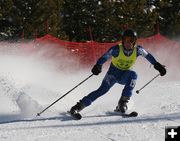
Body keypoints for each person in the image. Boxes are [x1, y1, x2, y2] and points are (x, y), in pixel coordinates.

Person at [69, 29, 166, 115]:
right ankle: (78, 106)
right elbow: (105, 56)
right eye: (126, 40)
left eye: (131, 40)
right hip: (113, 75)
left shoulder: (138, 50)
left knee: (133, 75)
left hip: (125, 75)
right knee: (102, 90)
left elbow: (148, 56)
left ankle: (122, 103)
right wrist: (98, 65)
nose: (128, 42)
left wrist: (158, 66)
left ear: (134, 41)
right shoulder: (116, 49)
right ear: (123, 40)